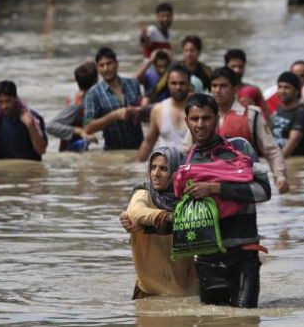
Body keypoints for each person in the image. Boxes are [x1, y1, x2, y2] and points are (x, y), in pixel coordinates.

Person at [181, 93, 271, 308]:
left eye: (206, 118)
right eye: (195, 119)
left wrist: (215, 188)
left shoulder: (241, 148)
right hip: (206, 260)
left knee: (246, 319)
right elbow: (173, 206)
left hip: (244, 255)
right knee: (213, 321)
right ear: (187, 121)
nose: (200, 124)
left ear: (216, 119)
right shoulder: (186, 161)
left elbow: (263, 191)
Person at [182, 67, 289, 193]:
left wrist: (280, 176)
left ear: (235, 89)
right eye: (214, 86)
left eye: (223, 86)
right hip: (208, 186)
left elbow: (271, 150)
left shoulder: (251, 115)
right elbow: (186, 151)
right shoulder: (201, 117)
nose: (217, 90)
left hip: (242, 186)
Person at [124, 147, 199, 299]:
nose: (156, 174)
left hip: (187, 289)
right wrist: (168, 217)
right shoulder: (143, 193)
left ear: (176, 172)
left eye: (164, 169)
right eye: (153, 167)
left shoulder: (188, 198)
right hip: (149, 291)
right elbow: (136, 212)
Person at [83, 48, 144, 150]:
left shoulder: (133, 84)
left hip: (140, 148)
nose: (106, 69)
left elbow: (144, 113)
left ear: (116, 64)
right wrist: (113, 116)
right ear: (97, 68)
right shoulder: (93, 93)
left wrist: (138, 110)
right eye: (101, 65)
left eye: (109, 64)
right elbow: (88, 127)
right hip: (113, 150)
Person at [136, 64, 191, 162]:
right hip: (164, 165)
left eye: (182, 83)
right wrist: (136, 166)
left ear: (189, 85)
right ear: (167, 84)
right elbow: (149, 142)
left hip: (189, 165)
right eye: (173, 83)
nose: (178, 87)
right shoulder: (158, 110)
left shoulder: (198, 110)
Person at [47, 62, 99, 152]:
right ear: (95, 81)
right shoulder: (76, 104)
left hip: (80, 147)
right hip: (70, 150)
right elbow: (50, 126)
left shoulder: (87, 98)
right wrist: (80, 131)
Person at [0, 80, 48, 161]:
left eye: (8, 101)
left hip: (29, 167)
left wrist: (31, 126)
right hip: (6, 167)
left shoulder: (33, 118)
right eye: (0, 102)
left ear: (16, 99)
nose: (4, 106)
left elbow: (41, 150)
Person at [148, 35, 213, 102]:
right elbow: (158, 88)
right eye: (186, 50)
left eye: (192, 51)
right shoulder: (173, 69)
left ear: (199, 52)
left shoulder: (206, 71)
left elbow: (213, 90)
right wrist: (148, 99)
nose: (189, 54)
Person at [271, 72, 304, 157]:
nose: (282, 91)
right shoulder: (279, 110)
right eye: (280, 87)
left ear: (296, 91)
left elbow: (294, 140)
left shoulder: (302, 113)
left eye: (287, 87)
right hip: (280, 158)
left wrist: (278, 161)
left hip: (297, 161)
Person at [224, 49, 270, 118]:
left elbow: (266, 117)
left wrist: (254, 108)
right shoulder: (218, 90)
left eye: (240, 67)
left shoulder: (254, 90)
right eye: (233, 66)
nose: (237, 70)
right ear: (226, 67)